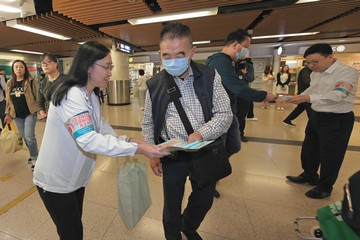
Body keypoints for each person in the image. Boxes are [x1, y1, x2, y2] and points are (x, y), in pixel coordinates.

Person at [33, 41, 169, 240]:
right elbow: (88, 140)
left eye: (111, 67)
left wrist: (134, 141)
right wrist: (137, 149)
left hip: (75, 179)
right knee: (72, 233)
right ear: (88, 67)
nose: (110, 73)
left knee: (72, 226)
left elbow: (102, 128)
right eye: (106, 67)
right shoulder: (72, 95)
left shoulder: (91, 96)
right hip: (56, 181)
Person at [141, 23, 233, 240]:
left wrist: (201, 134)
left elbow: (224, 114)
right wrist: (152, 153)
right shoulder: (154, 85)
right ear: (159, 54)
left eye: (180, 54)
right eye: (167, 55)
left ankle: (188, 226)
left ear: (192, 51)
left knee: (204, 199)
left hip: (204, 148)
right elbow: (147, 122)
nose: (173, 61)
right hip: (172, 152)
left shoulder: (210, 76)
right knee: (172, 202)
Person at [286, 43, 358, 199]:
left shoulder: (347, 73)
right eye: (308, 63)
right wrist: (299, 97)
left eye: (315, 62)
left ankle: (325, 186)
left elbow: (338, 95)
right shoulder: (316, 73)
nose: (311, 66)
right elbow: (313, 89)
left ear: (330, 57)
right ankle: (309, 174)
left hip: (337, 118)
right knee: (310, 148)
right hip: (317, 115)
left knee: (331, 154)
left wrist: (308, 98)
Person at [206, 29, 276, 154]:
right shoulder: (221, 61)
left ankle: (219, 166)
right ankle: (215, 169)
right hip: (220, 113)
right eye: (246, 47)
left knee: (233, 146)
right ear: (235, 45)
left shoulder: (227, 62)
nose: (246, 51)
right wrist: (264, 95)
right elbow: (237, 87)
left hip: (228, 111)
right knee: (222, 149)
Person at [4, 60, 39, 169]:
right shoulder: (10, 83)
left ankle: (35, 158)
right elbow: (8, 100)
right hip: (16, 115)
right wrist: (8, 113)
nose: (19, 69)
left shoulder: (31, 81)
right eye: (16, 67)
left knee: (29, 136)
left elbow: (38, 96)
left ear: (25, 69)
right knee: (24, 137)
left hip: (30, 113)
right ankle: (33, 154)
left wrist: (41, 109)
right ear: (13, 69)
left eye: (21, 67)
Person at [37, 53, 67, 120]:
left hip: (68, 116)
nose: (45, 65)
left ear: (56, 63)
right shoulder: (42, 84)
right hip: (52, 117)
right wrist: (42, 112)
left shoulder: (66, 80)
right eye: (43, 63)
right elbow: (39, 102)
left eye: (48, 62)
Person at [234, 59, 255, 142]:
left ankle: (240, 134)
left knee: (241, 116)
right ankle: (231, 134)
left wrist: (245, 73)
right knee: (231, 115)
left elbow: (251, 79)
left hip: (244, 95)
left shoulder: (249, 67)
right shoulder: (231, 65)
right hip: (233, 94)